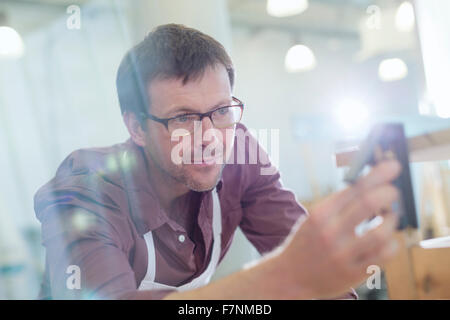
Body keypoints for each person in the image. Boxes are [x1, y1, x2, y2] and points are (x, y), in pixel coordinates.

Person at [34, 24, 401, 300]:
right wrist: (284, 275)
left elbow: (314, 270)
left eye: (221, 111)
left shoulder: (240, 154)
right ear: (137, 127)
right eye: (183, 118)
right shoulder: (84, 192)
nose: (209, 136)